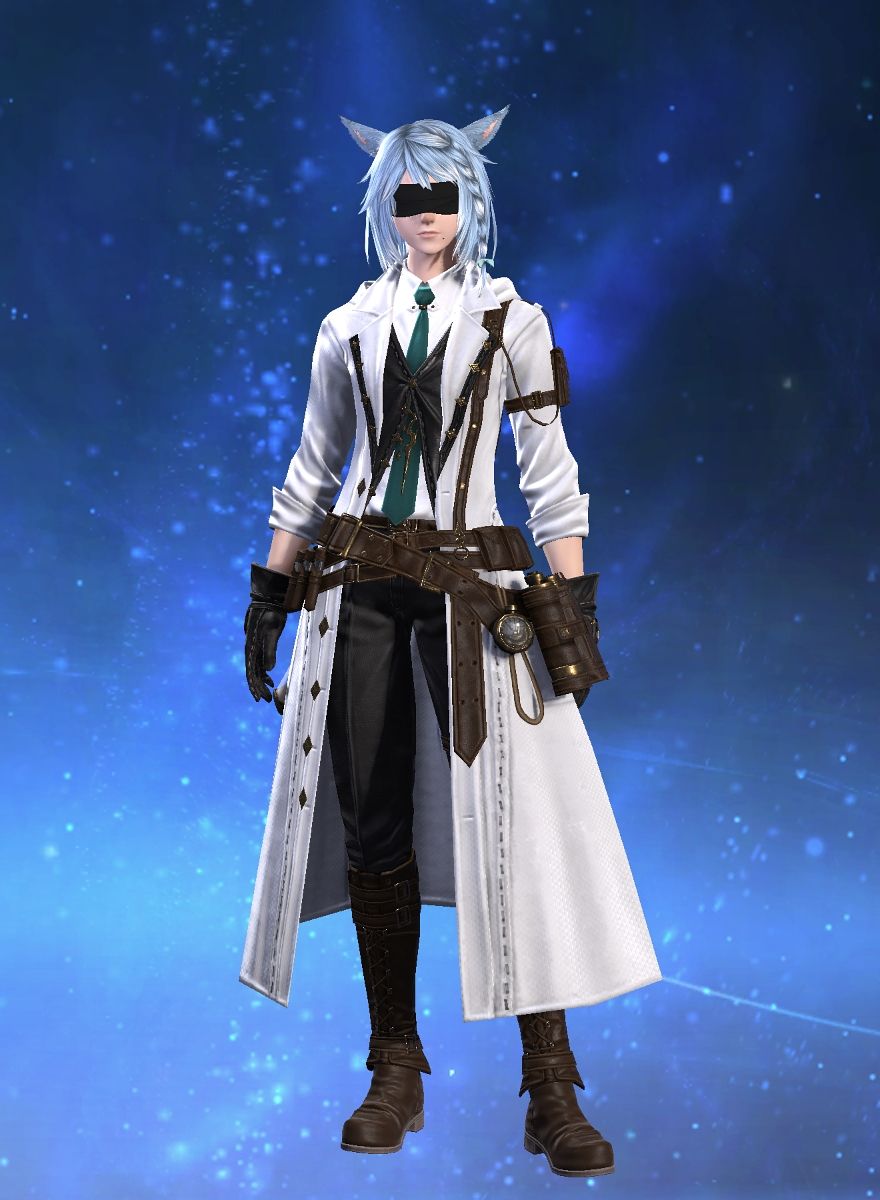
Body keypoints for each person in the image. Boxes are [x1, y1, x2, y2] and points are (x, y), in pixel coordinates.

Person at [240, 106, 662, 1177]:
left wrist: (573, 610)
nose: (425, 212)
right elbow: (313, 467)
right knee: (373, 822)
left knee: (516, 826)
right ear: (384, 204)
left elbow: (549, 474)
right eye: (407, 194)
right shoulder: (346, 326)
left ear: (469, 198)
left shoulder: (512, 318)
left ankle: (550, 1085)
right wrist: (270, 594)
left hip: (477, 589)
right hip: (360, 589)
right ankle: (395, 1065)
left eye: (442, 193)